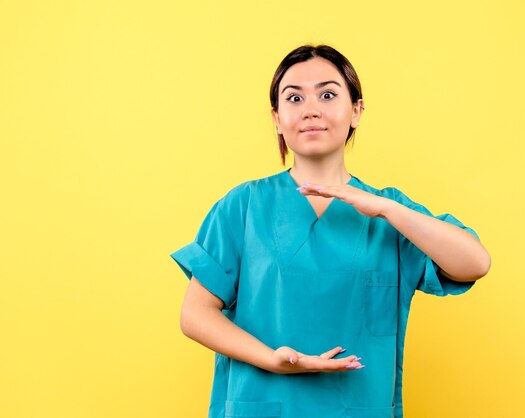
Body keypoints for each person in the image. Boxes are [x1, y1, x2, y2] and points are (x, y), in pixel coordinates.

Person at [170, 44, 491, 418]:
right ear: (276, 118)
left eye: (327, 94)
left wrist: (386, 209)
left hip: (359, 407)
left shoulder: (390, 213)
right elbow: (196, 315)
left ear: (356, 110)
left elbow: (474, 263)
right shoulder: (242, 206)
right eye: (294, 98)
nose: (311, 109)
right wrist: (273, 360)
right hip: (262, 405)